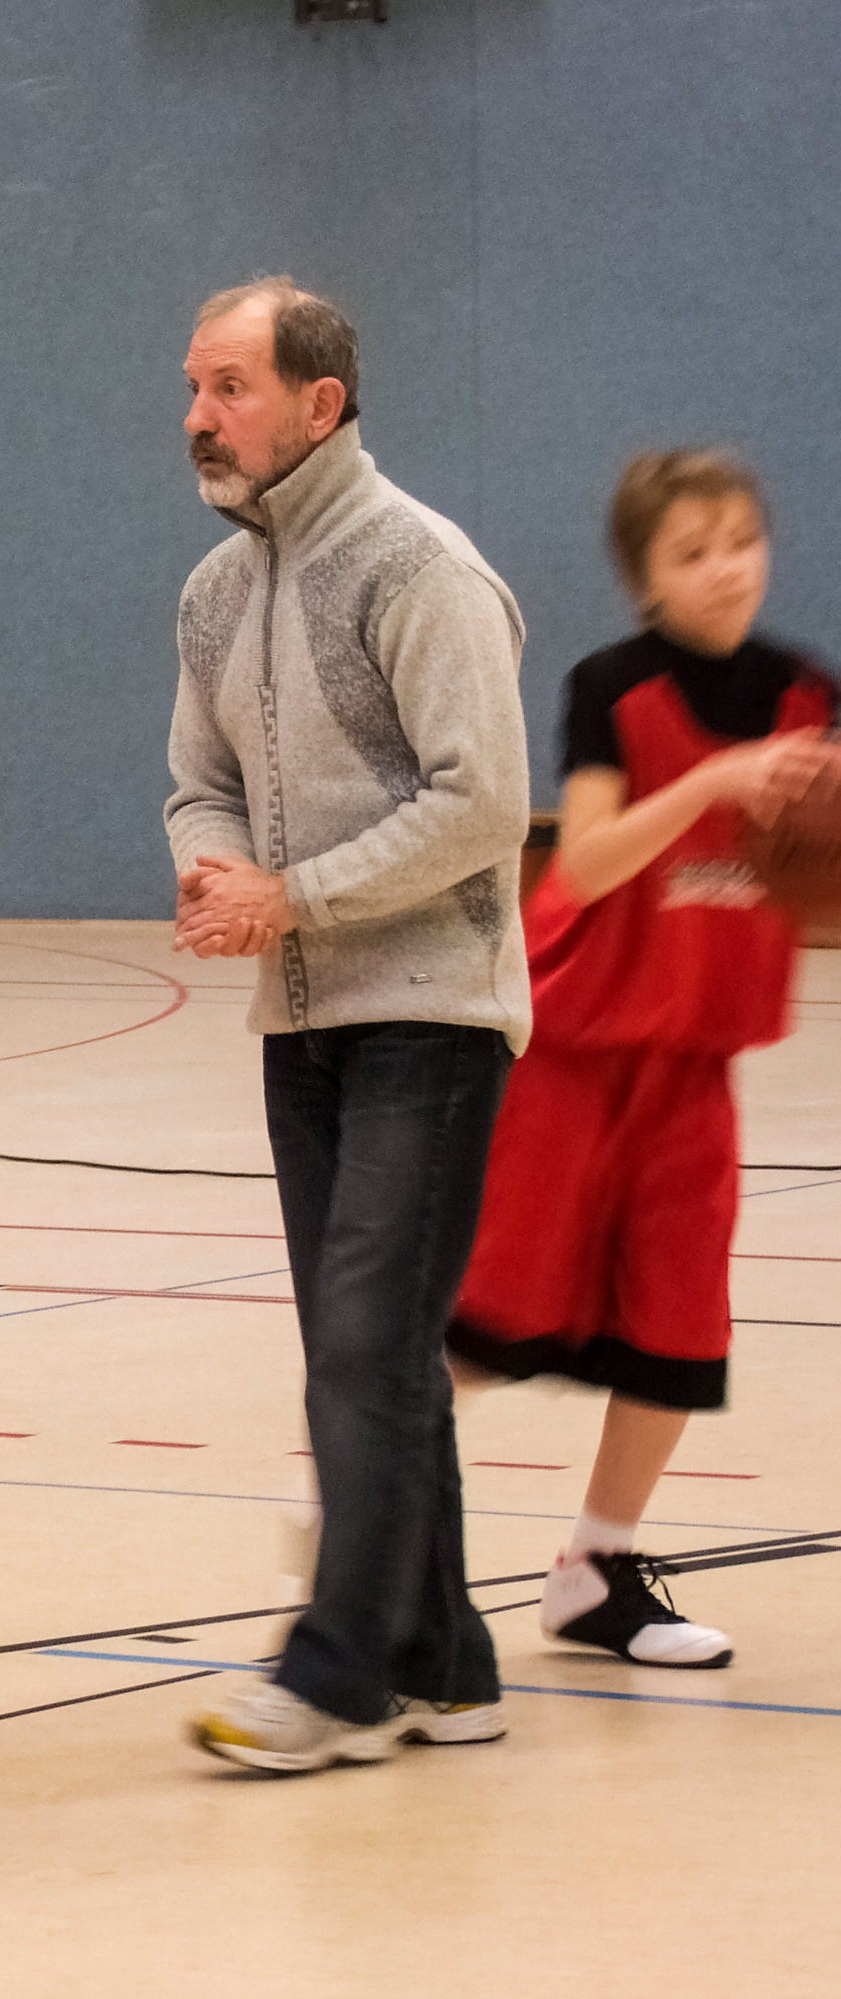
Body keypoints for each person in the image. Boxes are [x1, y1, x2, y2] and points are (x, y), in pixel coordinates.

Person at [164, 277, 534, 1773]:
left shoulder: (420, 567)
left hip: (430, 1015)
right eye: (192, 387)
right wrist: (213, 868)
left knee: (366, 1344)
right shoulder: (211, 590)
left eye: (230, 387)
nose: (198, 417)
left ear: (319, 404)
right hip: (299, 1019)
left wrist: (294, 893)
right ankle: (444, 1662)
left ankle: (334, 1677)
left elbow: (482, 803)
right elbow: (197, 781)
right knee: (362, 1347)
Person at [448, 451, 841, 1668]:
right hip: (569, 1055)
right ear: (642, 579)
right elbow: (584, 860)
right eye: (691, 551)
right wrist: (715, 780)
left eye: (740, 541)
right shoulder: (610, 687)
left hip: (692, 1061)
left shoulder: (805, 694)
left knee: (678, 1331)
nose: (724, 568)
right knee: (492, 1318)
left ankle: (594, 1572)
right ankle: (359, 1506)